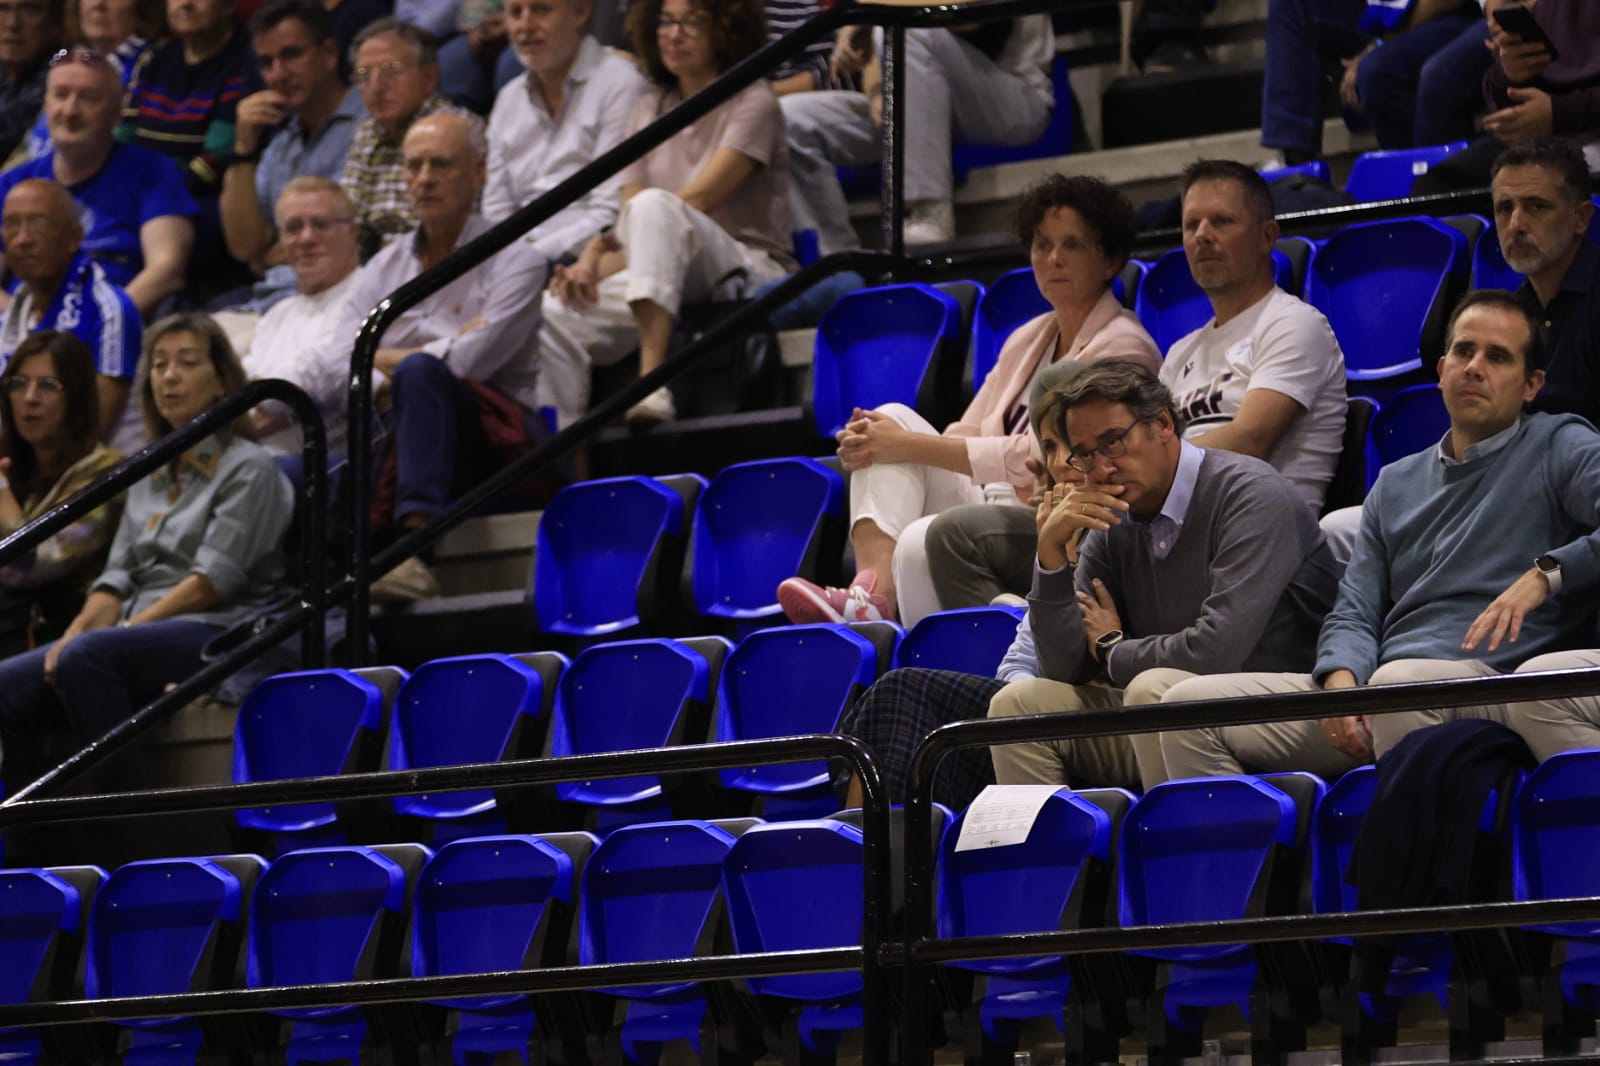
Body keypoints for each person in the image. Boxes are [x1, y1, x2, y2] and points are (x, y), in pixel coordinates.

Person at [1155, 290, 1600, 779]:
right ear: (1440, 368)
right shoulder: (1396, 481)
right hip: (1384, 685)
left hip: (1493, 684)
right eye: (1464, 351)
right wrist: (1340, 679)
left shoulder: (1561, 445)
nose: (1474, 367)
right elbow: (1355, 609)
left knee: (1400, 686)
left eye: (1497, 357)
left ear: (1531, 385)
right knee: (1185, 713)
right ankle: (1245, 856)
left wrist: (1547, 573)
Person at [916, 160, 1348, 617]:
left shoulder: (1294, 324)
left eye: (1221, 221)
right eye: (1191, 224)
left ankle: (1041, 631)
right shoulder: (1183, 350)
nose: (1202, 235)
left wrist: (1112, 467)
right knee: (1025, 517)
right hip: (1151, 527)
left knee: (979, 536)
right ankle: (1033, 634)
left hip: (1249, 527)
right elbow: (1128, 440)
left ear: (1266, 236)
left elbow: (1249, 441)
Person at [776, 174, 1161, 627]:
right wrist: (900, 443)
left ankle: (891, 618)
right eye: (1042, 245)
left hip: (1047, 508)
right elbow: (967, 428)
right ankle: (871, 594)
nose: (1053, 259)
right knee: (886, 420)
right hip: (987, 491)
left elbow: (1048, 455)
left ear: (1111, 259)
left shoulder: (1125, 346)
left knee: (916, 514)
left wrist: (912, 447)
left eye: (1072, 245)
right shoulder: (1028, 336)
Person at [983, 358, 1340, 793]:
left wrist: (1114, 650)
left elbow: (1216, 653)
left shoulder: (1251, 495)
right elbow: (1064, 667)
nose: (1100, 469)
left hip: (1282, 708)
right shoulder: (1114, 516)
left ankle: (1186, 856)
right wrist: (1051, 558)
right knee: (1016, 707)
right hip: (1161, 711)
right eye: (1084, 455)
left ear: (1164, 424)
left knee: (1153, 691)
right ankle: (1049, 862)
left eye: (1113, 442)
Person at [0, 311, 293, 793]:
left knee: (89, 658)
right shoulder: (150, 470)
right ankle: (19, 852)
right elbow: (117, 577)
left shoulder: (251, 468)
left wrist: (121, 633)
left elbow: (210, 586)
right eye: (158, 364)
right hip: (135, 630)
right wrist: (74, 634)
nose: (170, 376)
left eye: (187, 362)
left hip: (219, 627)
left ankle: (123, 830)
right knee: (10, 685)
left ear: (221, 378)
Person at [536, 0, 794, 427]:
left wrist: (601, 260)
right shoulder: (646, 109)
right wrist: (588, 263)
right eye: (666, 22)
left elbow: (696, 203)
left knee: (656, 206)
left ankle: (652, 381)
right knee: (557, 311)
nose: (674, 35)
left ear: (726, 30)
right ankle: (569, 456)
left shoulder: (753, 99)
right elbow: (630, 222)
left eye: (692, 22)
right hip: (659, 262)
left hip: (744, 265)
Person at [325, 111, 547, 597]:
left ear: (478, 173)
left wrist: (384, 355)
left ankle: (412, 552)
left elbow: (468, 365)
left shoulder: (517, 259)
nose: (423, 180)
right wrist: (436, 348)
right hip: (399, 426)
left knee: (423, 376)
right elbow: (339, 358)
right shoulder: (385, 265)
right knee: (293, 473)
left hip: (494, 435)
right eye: (414, 167)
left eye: (441, 165)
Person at [780, 16, 1054, 248]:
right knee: (792, 117)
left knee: (912, 26)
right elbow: (882, 48)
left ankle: (929, 211)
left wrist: (865, 15)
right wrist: (878, 94)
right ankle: (836, 263)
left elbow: (968, 17)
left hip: (1015, 101)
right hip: (924, 99)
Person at [0, 47, 196, 319]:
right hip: (21, 332)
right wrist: (26, 327)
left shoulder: (153, 172)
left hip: (115, 328)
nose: (70, 110)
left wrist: (100, 324)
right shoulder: (13, 183)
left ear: (117, 111)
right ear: (46, 106)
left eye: (88, 98)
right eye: (60, 95)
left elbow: (166, 270)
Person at [480, 0, 646, 264]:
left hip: (586, 261)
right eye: (515, 12)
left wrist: (525, 260)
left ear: (580, 13)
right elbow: (496, 210)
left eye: (541, 10)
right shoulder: (508, 98)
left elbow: (611, 210)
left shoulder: (621, 84)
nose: (525, 25)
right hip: (512, 264)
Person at [219, 0, 364, 301]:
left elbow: (347, 238)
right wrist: (244, 148)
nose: (278, 75)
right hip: (271, 301)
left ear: (329, 54)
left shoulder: (368, 124)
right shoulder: (281, 141)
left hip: (340, 298)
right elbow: (246, 247)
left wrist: (283, 246)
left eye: (291, 55)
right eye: (266, 63)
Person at [0, 331, 122, 658]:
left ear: (77, 397)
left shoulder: (106, 471)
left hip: (59, 626)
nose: (29, 398)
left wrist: (1, 497)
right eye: (17, 384)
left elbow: (29, 568)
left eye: (47, 386)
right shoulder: (15, 464)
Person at [0, 180, 140, 445]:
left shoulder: (110, 310)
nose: (22, 239)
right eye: (11, 225)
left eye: (38, 223)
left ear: (74, 237)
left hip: (104, 475)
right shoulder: (13, 315)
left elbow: (91, 434)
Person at [1411, 0, 1600, 194]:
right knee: (1433, 188)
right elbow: (1498, 89)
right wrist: (1510, 75)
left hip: (1586, 135)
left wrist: (1558, 113)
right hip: (1549, 138)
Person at [1260, 0, 1484, 164]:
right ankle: (1294, 165)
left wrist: (1381, 43)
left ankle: (1422, 184)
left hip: (1457, 14)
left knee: (1378, 70)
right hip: (1390, 14)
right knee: (1293, 4)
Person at [340, 17, 484, 248]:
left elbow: (459, 229)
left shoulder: (459, 130)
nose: (376, 87)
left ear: (429, 77)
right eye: (364, 75)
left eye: (391, 71)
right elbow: (347, 223)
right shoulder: (366, 133)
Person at [243, 177, 362, 455]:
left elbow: (327, 386)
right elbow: (242, 397)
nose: (306, 238)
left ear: (353, 231)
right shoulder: (277, 315)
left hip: (328, 468)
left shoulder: (367, 294)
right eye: (293, 228)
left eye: (320, 224)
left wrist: (264, 410)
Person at [1492, 139, 1599, 427]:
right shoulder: (1513, 311)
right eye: (1504, 208)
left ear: (1581, 217)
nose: (1516, 225)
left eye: (1536, 206)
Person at [24, 0, 163, 158]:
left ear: (140, 6)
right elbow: (28, 147)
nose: (98, 4)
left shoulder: (154, 65)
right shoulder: (66, 59)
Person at [0, 0, 61, 162]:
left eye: (29, 9)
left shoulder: (61, 72)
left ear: (56, 22)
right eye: (2, 9)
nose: (12, 24)